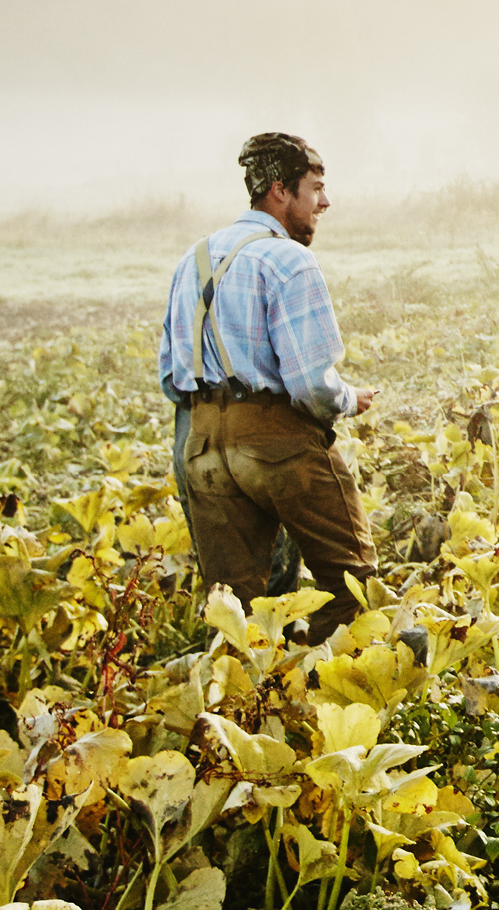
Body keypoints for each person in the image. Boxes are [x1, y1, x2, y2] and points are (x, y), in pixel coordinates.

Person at [157, 131, 379, 641]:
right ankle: (316, 675)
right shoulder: (289, 261)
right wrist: (350, 399)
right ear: (280, 191)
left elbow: (172, 375)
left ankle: (245, 699)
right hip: (276, 441)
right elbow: (309, 386)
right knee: (354, 587)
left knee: (235, 614)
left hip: (203, 446)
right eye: (316, 188)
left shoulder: (192, 261)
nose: (325, 201)